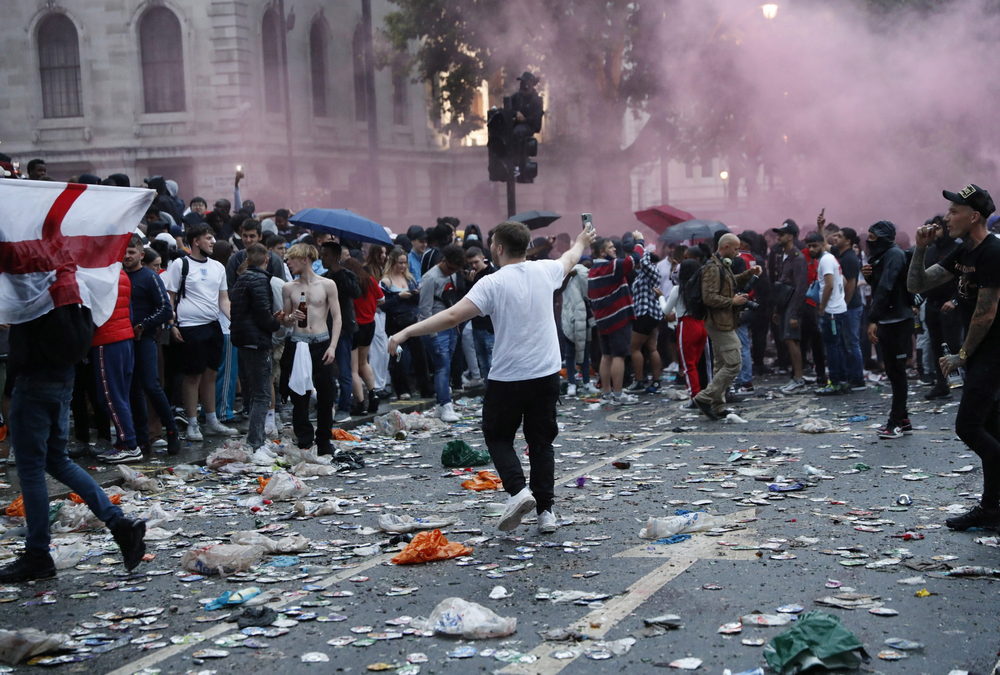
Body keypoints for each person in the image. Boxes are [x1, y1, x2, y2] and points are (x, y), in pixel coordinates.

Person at [390, 221, 596, 535]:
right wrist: (582, 239)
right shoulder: (544, 271)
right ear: (526, 246)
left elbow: (451, 316)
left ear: (497, 247)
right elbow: (570, 257)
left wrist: (406, 332)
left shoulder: (493, 282)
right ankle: (546, 513)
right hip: (547, 373)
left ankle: (518, 491)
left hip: (508, 376)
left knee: (497, 436)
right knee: (541, 443)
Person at [0, 305, 146, 582]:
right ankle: (118, 523)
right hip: (62, 377)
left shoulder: (35, 287)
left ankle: (37, 554)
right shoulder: (67, 286)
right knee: (56, 460)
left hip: (34, 380)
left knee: (30, 468)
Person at [908, 184, 1000, 530]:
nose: (947, 218)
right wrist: (919, 249)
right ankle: (992, 509)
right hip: (981, 353)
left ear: (973, 215)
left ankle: (992, 506)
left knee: (969, 426)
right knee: (990, 428)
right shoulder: (964, 252)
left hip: (992, 352)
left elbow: (985, 314)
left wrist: (961, 355)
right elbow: (918, 284)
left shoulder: (992, 252)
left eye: (953, 211)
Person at [163, 224, 237, 441]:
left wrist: (236, 320)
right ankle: (193, 423)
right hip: (189, 326)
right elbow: (171, 297)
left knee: (211, 374)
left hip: (213, 325)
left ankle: (212, 420)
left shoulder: (218, 268)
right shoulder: (180, 264)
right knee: (192, 376)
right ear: (195, 241)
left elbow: (223, 299)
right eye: (208, 237)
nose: (213, 241)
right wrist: (172, 324)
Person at [693, 234, 761, 420]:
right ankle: (705, 397)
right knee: (734, 363)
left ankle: (718, 405)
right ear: (726, 246)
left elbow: (730, 283)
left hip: (724, 320)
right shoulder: (712, 268)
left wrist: (749, 273)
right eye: (736, 249)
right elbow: (709, 297)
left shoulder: (722, 264)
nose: (738, 252)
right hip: (718, 322)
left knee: (721, 364)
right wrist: (732, 301)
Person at [283, 243, 341, 455]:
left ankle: (324, 440)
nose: (288, 263)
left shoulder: (327, 285)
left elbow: (337, 317)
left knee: (326, 394)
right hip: (299, 343)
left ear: (304, 259)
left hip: (322, 342)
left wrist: (333, 346)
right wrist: (290, 317)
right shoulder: (288, 287)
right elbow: (286, 320)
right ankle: (305, 440)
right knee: (299, 395)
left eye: (291, 259)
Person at [124, 235, 179, 456]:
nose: (127, 256)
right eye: (124, 252)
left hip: (145, 338)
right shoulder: (118, 277)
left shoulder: (149, 277)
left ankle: (172, 431)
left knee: (151, 385)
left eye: (132, 252)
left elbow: (166, 309)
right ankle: (141, 437)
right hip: (124, 340)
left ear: (141, 254)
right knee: (133, 389)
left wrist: (142, 326)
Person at [863, 220, 913, 439]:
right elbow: (880, 283)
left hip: (897, 321)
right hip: (890, 319)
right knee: (893, 372)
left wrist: (873, 318)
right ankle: (903, 418)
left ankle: (895, 424)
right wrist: (869, 275)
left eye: (873, 238)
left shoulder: (893, 255)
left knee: (897, 372)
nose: (869, 242)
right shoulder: (885, 256)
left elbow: (886, 287)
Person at [230, 244, 283, 450]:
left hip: (242, 339)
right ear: (266, 259)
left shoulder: (241, 279)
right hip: (257, 340)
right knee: (262, 393)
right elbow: (262, 314)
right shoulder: (261, 280)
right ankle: (256, 441)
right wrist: (276, 323)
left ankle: (255, 438)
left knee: (252, 391)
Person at [588, 231, 645, 404]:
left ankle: (606, 393)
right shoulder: (611, 267)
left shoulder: (593, 269)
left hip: (602, 320)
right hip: (617, 318)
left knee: (606, 356)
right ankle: (618, 394)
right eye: (611, 248)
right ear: (602, 253)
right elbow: (635, 259)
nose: (615, 250)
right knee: (619, 356)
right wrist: (639, 240)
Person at [418, 244, 466, 422]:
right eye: (450, 267)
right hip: (436, 329)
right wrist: (432, 334)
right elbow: (424, 309)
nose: (451, 272)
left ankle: (441, 405)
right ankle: (445, 404)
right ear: (444, 261)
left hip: (450, 327)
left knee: (446, 366)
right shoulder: (430, 278)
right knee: (442, 367)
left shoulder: (452, 274)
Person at [916, 215, 963, 400]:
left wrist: (955, 300)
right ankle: (941, 384)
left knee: (953, 345)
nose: (934, 232)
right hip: (933, 304)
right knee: (936, 345)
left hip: (951, 305)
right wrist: (918, 300)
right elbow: (925, 278)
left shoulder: (958, 248)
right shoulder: (930, 251)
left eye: (938, 228)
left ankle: (961, 380)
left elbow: (965, 279)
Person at [382, 246, 430, 400]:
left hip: (412, 320)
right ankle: (402, 389)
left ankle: (425, 388)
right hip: (395, 322)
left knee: (420, 356)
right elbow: (382, 305)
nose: (403, 266)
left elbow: (418, 301)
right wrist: (398, 297)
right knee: (398, 358)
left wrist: (415, 294)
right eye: (400, 263)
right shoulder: (386, 281)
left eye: (405, 263)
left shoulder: (409, 279)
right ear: (393, 263)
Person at [805, 232, 850, 395]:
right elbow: (842, 281)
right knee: (837, 347)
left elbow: (829, 284)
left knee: (832, 349)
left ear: (822, 244)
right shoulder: (831, 259)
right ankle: (843, 381)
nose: (811, 249)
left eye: (814, 245)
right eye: (809, 246)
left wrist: (822, 306)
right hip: (838, 309)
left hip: (831, 312)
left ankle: (836, 383)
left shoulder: (825, 260)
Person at [320, 242, 361, 422]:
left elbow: (356, 292)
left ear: (335, 257)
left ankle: (345, 407)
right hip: (324, 329)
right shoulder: (323, 277)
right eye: (322, 254)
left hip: (343, 329)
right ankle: (326, 405)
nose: (323, 258)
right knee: (325, 371)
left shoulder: (346, 275)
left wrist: (339, 273)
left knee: (345, 370)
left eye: (326, 255)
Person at [343, 257, 385, 415]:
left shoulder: (349, 284)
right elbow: (381, 299)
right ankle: (373, 394)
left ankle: (360, 403)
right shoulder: (370, 280)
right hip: (370, 324)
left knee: (353, 368)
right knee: (364, 362)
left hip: (354, 326)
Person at [771, 220, 809, 393]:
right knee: (787, 340)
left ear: (791, 236)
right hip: (784, 305)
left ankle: (798, 379)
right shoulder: (782, 256)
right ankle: (795, 378)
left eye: (782, 233)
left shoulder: (798, 258)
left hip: (792, 305)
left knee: (792, 340)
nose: (779, 236)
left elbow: (801, 287)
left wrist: (794, 313)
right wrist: (778, 310)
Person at [664, 257, 708, 404]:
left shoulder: (678, 289)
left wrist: (659, 297)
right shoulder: (703, 287)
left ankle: (695, 396)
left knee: (688, 365)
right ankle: (701, 391)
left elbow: (666, 310)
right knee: (696, 362)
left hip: (686, 325)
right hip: (702, 325)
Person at [830, 227, 866, 390]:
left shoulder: (850, 258)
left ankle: (857, 379)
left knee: (852, 342)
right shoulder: (841, 255)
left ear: (848, 241)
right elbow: (824, 245)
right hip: (846, 307)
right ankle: (849, 376)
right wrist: (821, 227)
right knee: (845, 343)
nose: (835, 238)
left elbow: (851, 284)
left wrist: (843, 305)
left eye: (839, 236)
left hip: (850, 307)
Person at [627, 247, 663, 394]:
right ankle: (656, 381)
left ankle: (639, 381)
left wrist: (642, 246)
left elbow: (644, 261)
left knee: (634, 348)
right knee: (652, 348)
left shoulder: (651, 271)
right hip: (652, 314)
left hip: (645, 313)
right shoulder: (646, 273)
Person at [465, 247, 496, 379]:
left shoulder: (492, 273)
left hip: (490, 327)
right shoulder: (471, 276)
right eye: (470, 263)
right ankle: (488, 393)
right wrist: (469, 283)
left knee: (491, 362)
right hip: (477, 325)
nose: (473, 266)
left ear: (483, 258)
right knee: (482, 363)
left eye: (476, 262)